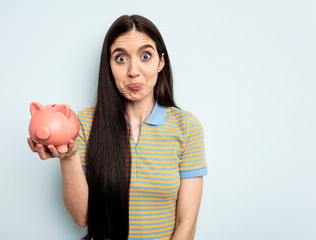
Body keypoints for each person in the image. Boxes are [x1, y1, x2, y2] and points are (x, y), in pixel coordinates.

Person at [27, 14, 208, 240]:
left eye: (145, 56)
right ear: (109, 65)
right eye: (121, 59)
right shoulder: (83, 124)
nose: (133, 70)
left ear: (160, 62)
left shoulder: (187, 127)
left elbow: (187, 224)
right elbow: (81, 216)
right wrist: (68, 156)